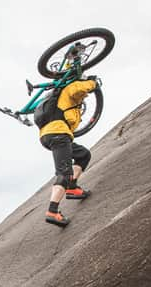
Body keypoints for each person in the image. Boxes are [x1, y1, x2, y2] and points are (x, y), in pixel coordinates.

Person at [37, 76, 99, 227]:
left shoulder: (54, 97)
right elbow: (80, 88)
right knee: (64, 173)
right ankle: (52, 211)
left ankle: (72, 188)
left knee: (83, 155)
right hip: (58, 134)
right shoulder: (69, 88)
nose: (84, 98)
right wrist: (94, 83)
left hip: (49, 135)